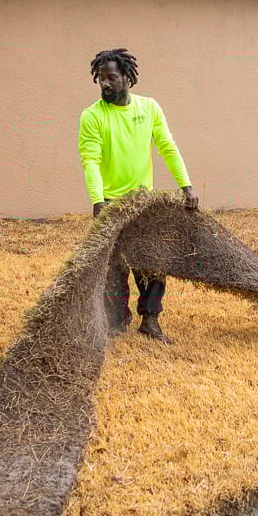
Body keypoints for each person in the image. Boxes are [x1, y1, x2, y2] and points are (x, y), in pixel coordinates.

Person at [78, 48, 198, 343]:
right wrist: (98, 200)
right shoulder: (92, 116)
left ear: (127, 78)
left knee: (154, 263)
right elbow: (90, 160)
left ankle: (151, 321)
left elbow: (167, 147)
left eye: (111, 78)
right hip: (112, 204)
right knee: (115, 267)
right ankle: (117, 322)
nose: (105, 84)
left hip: (144, 203)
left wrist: (186, 185)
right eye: (101, 79)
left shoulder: (149, 108)